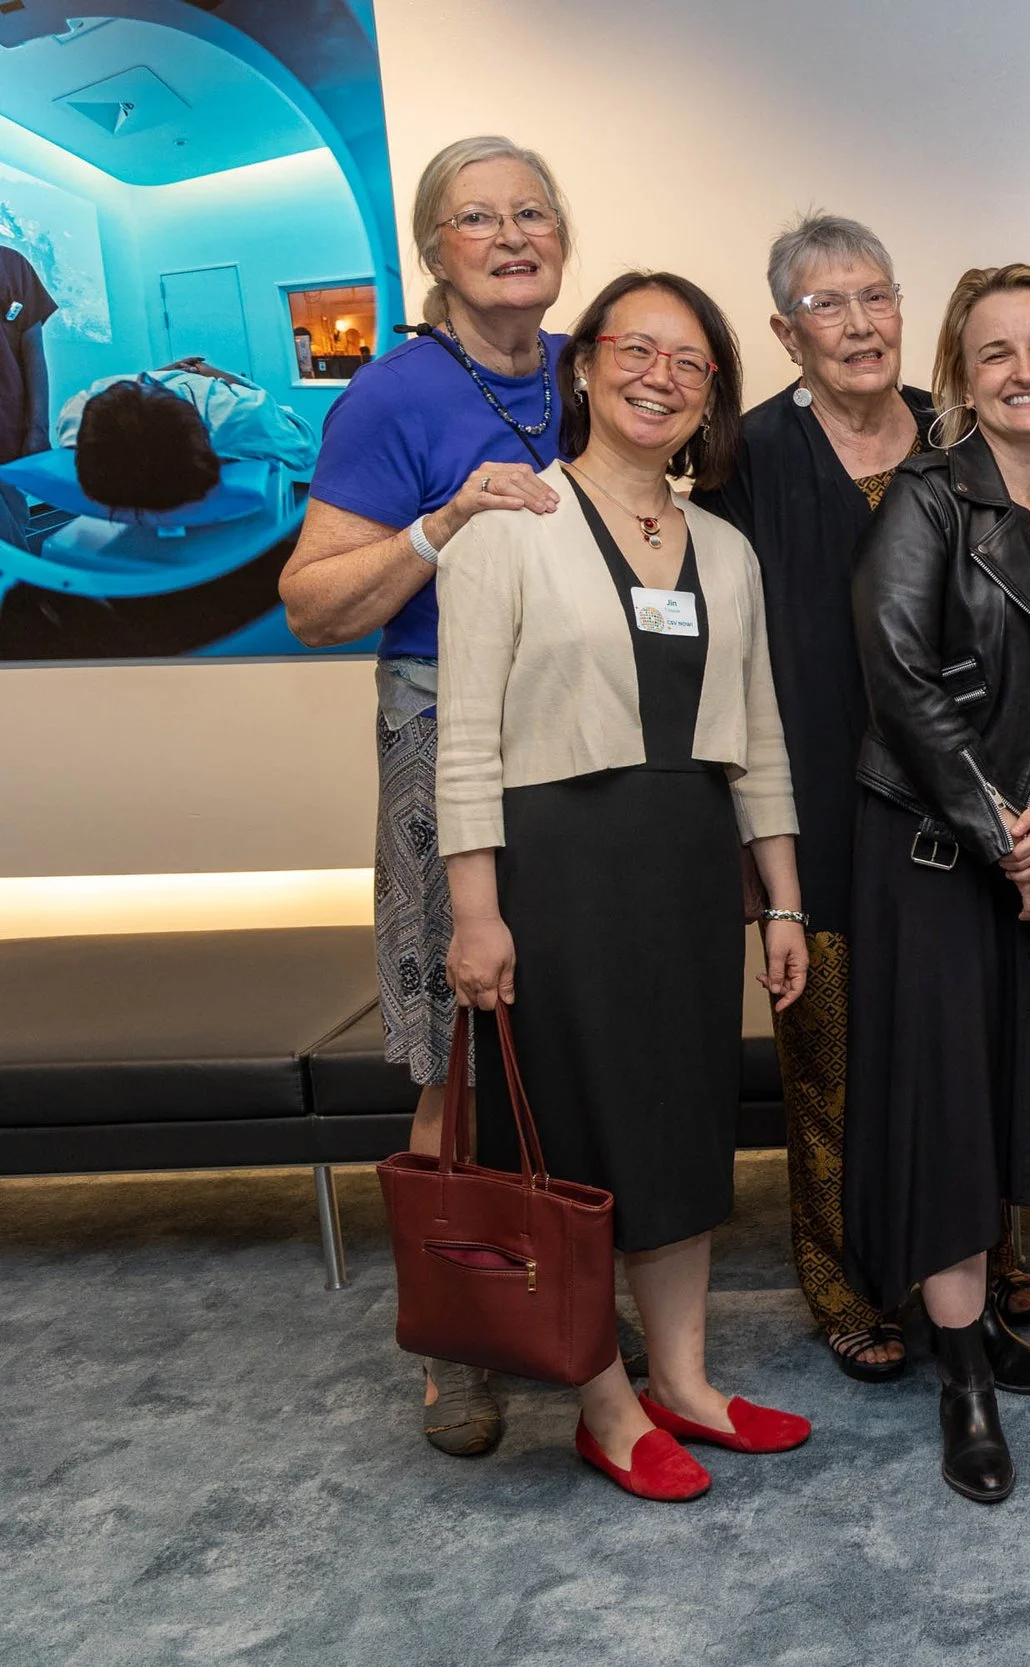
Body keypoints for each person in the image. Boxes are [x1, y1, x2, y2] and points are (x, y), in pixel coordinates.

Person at [435, 270, 813, 1503]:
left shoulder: (728, 549)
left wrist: (783, 898)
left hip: (687, 862)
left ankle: (687, 1380)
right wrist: (478, 909)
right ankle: (603, 1401)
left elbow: (756, 731)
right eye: (634, 348)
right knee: (585, 1135)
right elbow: (467, 741)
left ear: (713, 395)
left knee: (683, 1121)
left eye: (689, 361)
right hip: (559, 866)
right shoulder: (507, 526)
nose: (659, 374)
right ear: (583, 365)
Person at [276, 135, 571, 1460]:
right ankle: (459, 1339)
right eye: (477, 218)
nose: (511, 236)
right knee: (463, 1030)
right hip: (444, 732)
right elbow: (311, 602)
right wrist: (441, 524)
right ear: (432, 249)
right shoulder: (393, 396)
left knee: (569, 1031)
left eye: (532, 214)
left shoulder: (598, 366)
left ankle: (569, 1286)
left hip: (585, 736)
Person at [693, 213, 975, 1385]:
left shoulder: (960, 436)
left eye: (876, 298)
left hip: (955, 805)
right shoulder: (743, 461)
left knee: (965, 1046)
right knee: (831, 1060)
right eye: (826, 305)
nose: (859, 325)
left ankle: (973, 1248)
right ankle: (846, 1277)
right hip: (810, 803)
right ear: (781, 331)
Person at [846, 263, 1030, 1504]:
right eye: (996, 350)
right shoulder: (926, 500)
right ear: (961, 373)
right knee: (949, 1112)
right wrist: (1012, 835)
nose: (1024, 370)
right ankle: (960, 1374)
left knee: (1007, 1097)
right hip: (936, 854)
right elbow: (901, 683)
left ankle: (987, 1322)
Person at [56, 361, 317, 511]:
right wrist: (221, 377)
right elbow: (304, 445)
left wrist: (160, 373)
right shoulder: (234, 415)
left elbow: (130, 421)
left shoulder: (78, 412)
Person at [0, 242, 54, 552]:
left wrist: (38, 428)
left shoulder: (11, 263)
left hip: (7, 429)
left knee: (14, 529)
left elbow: (33, 350)